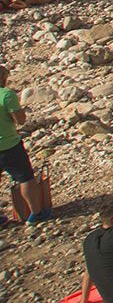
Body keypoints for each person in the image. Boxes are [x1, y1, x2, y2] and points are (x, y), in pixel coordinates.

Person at [0, 65, 46, 223]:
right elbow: (20, 120)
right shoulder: (6, 95)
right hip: (8, 145)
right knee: (25, 178)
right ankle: (36, 214)